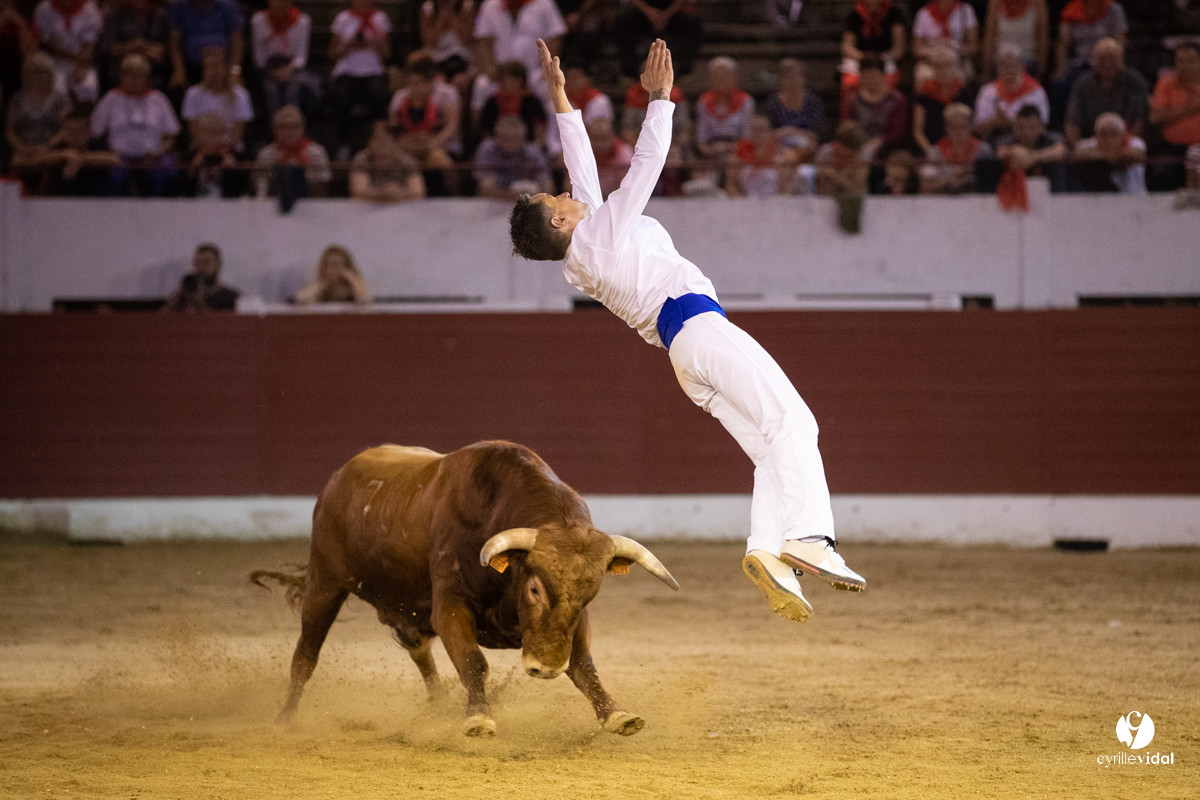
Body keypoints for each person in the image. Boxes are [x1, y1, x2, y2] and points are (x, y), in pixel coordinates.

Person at [509, 38, 866, 622]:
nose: (568, 192)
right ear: (560, 220)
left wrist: (560, 100)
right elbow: (646, 166)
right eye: (558, 198)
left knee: (770, 448)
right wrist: (660, 99)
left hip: (684, 354)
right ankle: (810, 539)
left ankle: (768, 554)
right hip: (699, 327)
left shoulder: (584, 250)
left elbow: (582, 171)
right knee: (796, 422)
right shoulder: (598, 236)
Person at [92, 52, 181, 195]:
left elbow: (172, 136)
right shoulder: (111, 98)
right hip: (118, 157)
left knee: (167, 173)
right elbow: (96, 132)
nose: (134, 79)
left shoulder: (158, 99)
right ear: (121, 76)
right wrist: (111, 151)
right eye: (129, 74)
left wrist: (158, 152)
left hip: (153, 156)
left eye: (138, 74)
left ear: (147, 77)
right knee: (113, 176)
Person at [326, 0, 392, 157]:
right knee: (340, 96)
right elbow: (331, 54)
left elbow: (387, 54)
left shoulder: (380, 18)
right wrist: (347, 45)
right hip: (347, 71)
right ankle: (343, 146)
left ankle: (379, 143)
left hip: (372, 72)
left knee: (379, 95)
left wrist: (375, 43)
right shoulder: (343, 18)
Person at [1063, 37, 1147, 148]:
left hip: (1125, 144)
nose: (1107, 64)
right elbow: (1072, 122)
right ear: (1093, 60)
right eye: (1102, 59)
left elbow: (1138, 122)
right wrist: (1077, 147)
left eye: (1111, 58)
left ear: (1121, 59)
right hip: (1091, 144)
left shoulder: (1134, 82)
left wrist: (1121, 146)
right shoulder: (1082, 84)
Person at [26, 104, 118, 195]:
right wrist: (62, 155)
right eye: (70, 131)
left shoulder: (98, 144)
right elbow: (34, 161)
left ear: (89, 131)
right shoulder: (59, 147)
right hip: (60, 200)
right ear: (62, 131)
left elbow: (114, 159)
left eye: (79, 131)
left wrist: (81, 159)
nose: (75, 136)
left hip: (95, 200)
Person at [181, 46, 254, 153]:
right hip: (202, 150)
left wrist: (223, 150)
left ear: (226, 68)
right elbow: (194, 132)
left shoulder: (240, 95)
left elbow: (238, 133)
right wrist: (209, 149)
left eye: (216, 66)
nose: (212, 72)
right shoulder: (193, 94)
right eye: (207, 67)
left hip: (231, 150)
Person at [5, 54, 71, 172]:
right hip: (23, 150)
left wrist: (47, 146)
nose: (36, 76)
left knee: (47, 161)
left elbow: (66, 129)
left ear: (50, 74)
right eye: (31, 72)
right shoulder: (16, 99)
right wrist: (23, 148)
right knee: (16, 163)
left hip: (51, 149)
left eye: (40, 72)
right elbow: (9, 131)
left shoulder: (60, 100)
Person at [1149, 42, 1200, 190]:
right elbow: (1155, 117)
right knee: (1160, 176)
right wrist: (1190, 109)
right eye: (1180, 61)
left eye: (1190, 61)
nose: (1184, 66)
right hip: (1174, 149)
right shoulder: (1166, 83)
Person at [973, 43, 1048, 143]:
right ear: (997, 67)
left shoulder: (1035, 91)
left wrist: (1009, 122)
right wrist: (995, 121)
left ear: (1022, 66)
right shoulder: (987, 91)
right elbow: (977, 128)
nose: (1008, 70)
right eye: (1004, 66)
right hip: (992, 141)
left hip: (1025, 144)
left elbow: (1042, 127)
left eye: (1012, 66)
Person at [165, 0, 244, 94]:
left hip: (223, 65)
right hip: (191, 67)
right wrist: (179, 69)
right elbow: (174, 42)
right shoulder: (179, 7)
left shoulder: (229, 6)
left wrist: (234, 71)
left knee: (237, 88)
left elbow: (237, 41)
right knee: (176, 86)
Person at [33, 0, 104, 103]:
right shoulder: (44, 8)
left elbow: (89, 45)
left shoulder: (89, 8)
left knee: (88, 86)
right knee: (58, 89)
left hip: (82, 61)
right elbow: (46, 44)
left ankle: (85, 113)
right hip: (55, 62)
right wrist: (75, 57)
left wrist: (82, 65)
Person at [255, 105, 331, 199]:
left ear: (303, 128)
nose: (289, 132)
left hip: (311, 203)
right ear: (274, 129)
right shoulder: (266, 154)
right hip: (275, 203)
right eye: (283, 127)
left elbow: (323, 187)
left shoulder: (317, 152)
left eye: (294, 127)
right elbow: (261, 191)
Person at [840, 53, 907, 160]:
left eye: (873, 75)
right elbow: (847, 124)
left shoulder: (896, 100)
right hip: (857, 145)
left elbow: (897, 132)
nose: (870, 79)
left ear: (883, 75)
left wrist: (880, 141)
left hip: (887, 147)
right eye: (866, 75)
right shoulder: (853, 99)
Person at [613, 0, 702, 79]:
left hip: (673, 12)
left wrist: (666, 15)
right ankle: (629, 73)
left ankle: (683, 72)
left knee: (691, 21)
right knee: (623, 20)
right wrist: (649, 12)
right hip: (643, 12)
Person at [920, 102, 995, 193]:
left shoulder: (984, 151)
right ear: (946, 128)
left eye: (963, 127)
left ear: (971, 127)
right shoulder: (935, 153)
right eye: (953, 127)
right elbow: (925, 186)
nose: (958, 132)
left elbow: (991, 182)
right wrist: (948, 181)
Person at [474, 113, 553, 198]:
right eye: (505, 138)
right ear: (496, 137)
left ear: (523, 138)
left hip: (527, 200)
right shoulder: (488, 149)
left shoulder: (532, 152)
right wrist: (511, 195)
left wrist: (532, 194)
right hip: (494, 201)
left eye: (515, 138)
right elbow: (486, 189)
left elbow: (548, 187)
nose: (510, 143)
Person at [912, 47, 974, 156]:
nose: (943, 70)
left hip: (959, 151)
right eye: (938, 66)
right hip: (931, 150)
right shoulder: (924, 94)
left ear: (956, 67)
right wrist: (932, 152)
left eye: (948, 65)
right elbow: (917, 131)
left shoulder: (964, 93)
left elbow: (969, 128)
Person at [97, 0, 169, 91]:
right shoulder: (115, 15)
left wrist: (142, 46)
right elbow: (106, 48)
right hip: (120, 72)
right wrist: (130, 47)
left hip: (153, 73)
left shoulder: (161, 16)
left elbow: (164, 51)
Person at [349, 119, 426, 202]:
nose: (382, 147)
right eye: (378, 141)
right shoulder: (362, 160)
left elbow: (418, 192)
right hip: (369, 206)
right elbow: (357, 192)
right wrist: (380, 192)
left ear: (395, 143)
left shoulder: (408, 161)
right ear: (370, 142)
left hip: (402, 205)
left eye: (386, 142)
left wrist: (399, 192)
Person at [840, 0, 906, 95]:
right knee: (849, 82)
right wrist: (865, 57)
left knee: (889, 81)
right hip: (860, 59)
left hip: (885, 59)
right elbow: (847, 47)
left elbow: (899, 49)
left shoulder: (894, 14)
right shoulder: (855, 14)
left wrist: (881, 58)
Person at [996, 102, 1066, 190]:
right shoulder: (1007, 141)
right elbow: (999, 152)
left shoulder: (1052, 138)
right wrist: (1012, 151)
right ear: (1014, 127)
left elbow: (1060, 151)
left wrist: (1032, 157)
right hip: (1016, 190)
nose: (1026, 132)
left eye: (1031, 127)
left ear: (1041, 127)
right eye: (1021, 127)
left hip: (1052, 189)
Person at [1073, 111, 1145, 193]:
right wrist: (1108, 156)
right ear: (1096, 134)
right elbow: (1078, 152)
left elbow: (1135, 153)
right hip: (1100, 196)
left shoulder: (1136, 142)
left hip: (1134, 196)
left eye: (1113, 134)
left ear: (1122, 134)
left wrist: (1103, 157)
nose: (1108, 139)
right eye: (1104, 134)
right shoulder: (1089, 144)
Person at [478, 59, 547, 143]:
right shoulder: (492, 101)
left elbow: (539, 127)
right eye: (503, 79)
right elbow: (486, 130)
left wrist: (537, 144)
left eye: (512, 79)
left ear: (521, 81)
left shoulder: (531, 101)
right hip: (497, 145)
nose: (507, 83)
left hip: (527, 145)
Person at [912, 0, 979, 85]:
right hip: (932, 60)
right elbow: (917, 49)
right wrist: (935, 51)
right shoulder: (923, 13)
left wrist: (954, 46)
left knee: (961, 74)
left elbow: (973, 47)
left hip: (957, 60)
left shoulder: (965, 11)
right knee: (922, 75)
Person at [980, 0, 1048, 78]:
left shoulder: (1038, 3)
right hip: (1000, 63)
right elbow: (989, 35)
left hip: (1026, 62)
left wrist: (1041, 68)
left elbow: (1042, 37)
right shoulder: (995, 3)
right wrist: (985, 68)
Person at [763, 58, 824, 144]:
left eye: (797, 76)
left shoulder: (813, 102)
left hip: (808, 145)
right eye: (789, 77)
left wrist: (791, 131)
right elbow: (769, 132)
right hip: (779, 145)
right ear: (781, 80)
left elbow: (817, 135)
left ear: (804, 79)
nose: (793, 81)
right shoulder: (773, 103)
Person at [168, 243, 239, 311]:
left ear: (218, 264)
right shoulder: (184, 297)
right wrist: (179, 294)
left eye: (206, 263)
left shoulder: (230, 297)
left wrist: (200, 305)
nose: (201, 267)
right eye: (197, 263)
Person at [295, 245, 372, 304]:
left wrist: (350, 278)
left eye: (339, 265)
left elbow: (365, 300)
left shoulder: (352, 286)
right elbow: (301, 299)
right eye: (332, 265)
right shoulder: (321, 287)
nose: (336, 269)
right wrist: (323, 284)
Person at [587, 115, 632, 198]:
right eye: (595, 138)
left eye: (604, 138)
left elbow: (625, 188)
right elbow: (569, 187)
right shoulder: (583, 154)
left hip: (617, 200)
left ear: (612, 136)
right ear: (588, 138)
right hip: (589, 199)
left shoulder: (624, 153)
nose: (600, 143)